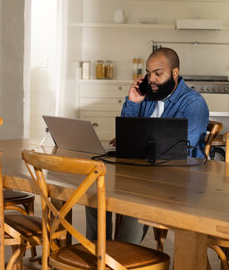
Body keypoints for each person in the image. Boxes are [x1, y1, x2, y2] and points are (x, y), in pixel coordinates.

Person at [86, 47, 209, 244]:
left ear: (174, 73)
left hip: (175, 177)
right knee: (93, 190)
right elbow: (125, 133)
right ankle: (98, 252)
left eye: (158, 74)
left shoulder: (194, 103)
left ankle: (122, 257)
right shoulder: (148, 95)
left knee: (139, 198)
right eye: (149, 73)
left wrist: (137, 141)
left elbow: (181, 148)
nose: (151, 79)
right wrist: (134, 102)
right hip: (138, 168)